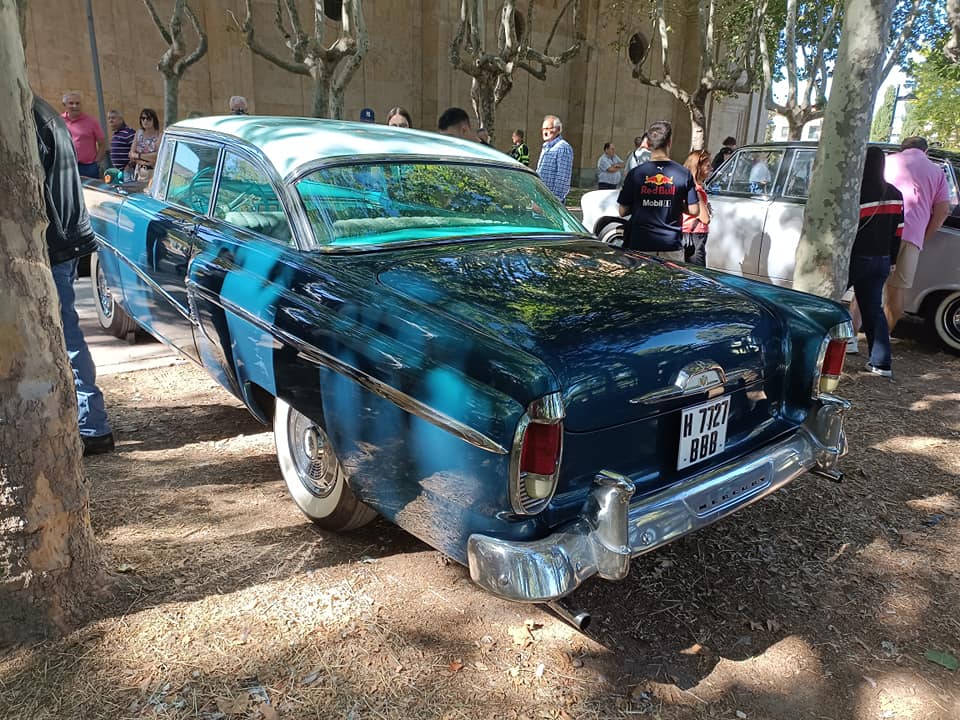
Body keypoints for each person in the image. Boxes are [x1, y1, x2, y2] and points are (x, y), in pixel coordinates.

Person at [33, 96, 114, 455]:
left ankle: (93, 424)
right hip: (61, 239)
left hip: (51, 244)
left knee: (66, 335)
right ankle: (88, 421)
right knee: (65, 334)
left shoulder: (27, 116)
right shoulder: (43, 111)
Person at [883, 136, 951, 332]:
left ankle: (851, 338)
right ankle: (880, 342)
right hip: (911, 235)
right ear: (926, 152)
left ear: (902, 148)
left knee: (868, 285)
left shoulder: (887, 162)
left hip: (881, 231)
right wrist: (924, 236)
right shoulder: (937, 172)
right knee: (896, 291)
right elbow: (943, 210)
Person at [849, 147, 904, 378]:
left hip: (856, 257)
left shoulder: (855, 192)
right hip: (882, 259)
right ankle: (881, 363)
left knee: (826, 303)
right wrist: (892, 259)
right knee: (874, 311)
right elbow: (898, 231)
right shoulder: (895, 193)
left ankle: (820, 357)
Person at [617, 120, 699, 261]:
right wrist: (675, 204)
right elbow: (694, 210)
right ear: (670, 142)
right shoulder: (683, 174)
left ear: (648, 144)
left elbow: (622, 211)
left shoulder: (636, 174)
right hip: (671, 245)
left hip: (640, 244)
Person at [61, 91, 105, 179]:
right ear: (64, 105)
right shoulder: (58, 121)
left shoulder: (91, 121)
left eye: (77, 103)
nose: (75, 106)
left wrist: (96, 163)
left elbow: (102, 144)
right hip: (66, 166)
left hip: (88, 167)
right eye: (71, 103)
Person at [680, 150, 713, 266]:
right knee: (698, 270)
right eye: (707, 166)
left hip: (687, 233)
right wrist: (706, 210)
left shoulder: (687, 186)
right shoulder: (697, 190)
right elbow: (705, 219)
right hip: (695, 235)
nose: (711, 169)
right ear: (698, 167)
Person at [536, 115, 574, 203]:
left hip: (551, 203)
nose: (545, 132)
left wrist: (555, 201)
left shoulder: (562, 147)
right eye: (543, 129)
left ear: (558, 129)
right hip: (541, 198)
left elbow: (563, 178)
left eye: (548, 128)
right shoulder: (546, 148)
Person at [129, 108, 162, 183]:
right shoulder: (138, 133)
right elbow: (131, 154)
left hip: (152, 173)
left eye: (148, 118)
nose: (145, 121)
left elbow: (157, 157)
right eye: (143, 118)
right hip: (139, 172)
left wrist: (138, 155)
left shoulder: (159, 136)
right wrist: (146, 161)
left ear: (154, 120)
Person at [106, 109, 136, 176]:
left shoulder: (129, 133)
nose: (110, 120)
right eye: (109, 118)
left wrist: (129, 166)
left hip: (128, 171)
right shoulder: (116, 134)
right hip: (118, 172)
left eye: (113, 118)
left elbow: (136, 151)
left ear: (121, 119)